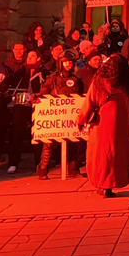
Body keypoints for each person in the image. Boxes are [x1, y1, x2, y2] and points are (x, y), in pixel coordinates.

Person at [77, 55, 129, 197]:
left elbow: (89, 101)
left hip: (101, 123)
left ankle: (102, 184)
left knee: (100, 154)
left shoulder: (99, 82)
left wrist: (81, 120)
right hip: (120, 123)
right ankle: (112, 184)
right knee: (117, 153)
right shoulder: (126, 83)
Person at [38, 51, 84, 179]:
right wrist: (37, 99)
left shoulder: (77, 79)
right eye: (65, 62)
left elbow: (81, 97)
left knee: (73, 142)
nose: (68, 64)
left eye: (70, 62)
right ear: (60, 63)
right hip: (55, 116)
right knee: (49, 144)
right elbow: (43, 94)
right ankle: (43, 169)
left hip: (71, 117)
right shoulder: (52, 79)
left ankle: (73, 169)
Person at [2, 49, 46, 174]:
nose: (29, 58)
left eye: (33, 56)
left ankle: (39, 163)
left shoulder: (43, 71)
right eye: (28, 56)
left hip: (37, 106)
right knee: (16, 134)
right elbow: (9, 80)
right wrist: (4, 87)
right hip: (21, 105)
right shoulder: (22, 71)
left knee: (37, 134)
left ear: (38, 58)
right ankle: (13, 163)